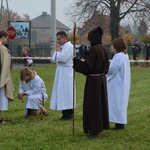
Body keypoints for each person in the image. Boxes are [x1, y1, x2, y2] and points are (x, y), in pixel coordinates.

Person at [73, 27, 110, 139]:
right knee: (99, 105)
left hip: (94, 82)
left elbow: (87, 67)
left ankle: (95, 132)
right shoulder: (103, 49)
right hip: (101, 80)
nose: (88, 41)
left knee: (93, 105)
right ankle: (99, 128)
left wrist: (76, 61)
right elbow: (106, 67)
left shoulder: (94, 50)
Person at [107, 37, 131, 130]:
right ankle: (119, 122)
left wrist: (105, 76)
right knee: (121, 103)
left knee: (116, 102)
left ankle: (119, 123)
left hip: (117, 84)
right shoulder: (125, 55)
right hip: (122, 82)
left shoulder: (118, 56)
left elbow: (112, 70)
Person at [50, 31, 74, 121]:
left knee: (66, 92)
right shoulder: (62, 47)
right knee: (61, 92)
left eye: (59, 39)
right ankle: (65, 112)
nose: (58, 41)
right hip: (61, 71)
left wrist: (58, 52)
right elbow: (54, 59)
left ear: (64, 38)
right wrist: (58, 52)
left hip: (66, 72)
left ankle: (68, 113)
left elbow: (62, 59)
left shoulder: (69, 46)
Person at [0, 30, 14, 122]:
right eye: (6, 38)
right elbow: (5, 65)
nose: (6, 40)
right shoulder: (2, 48)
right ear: (3, 37)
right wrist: (4, 78)